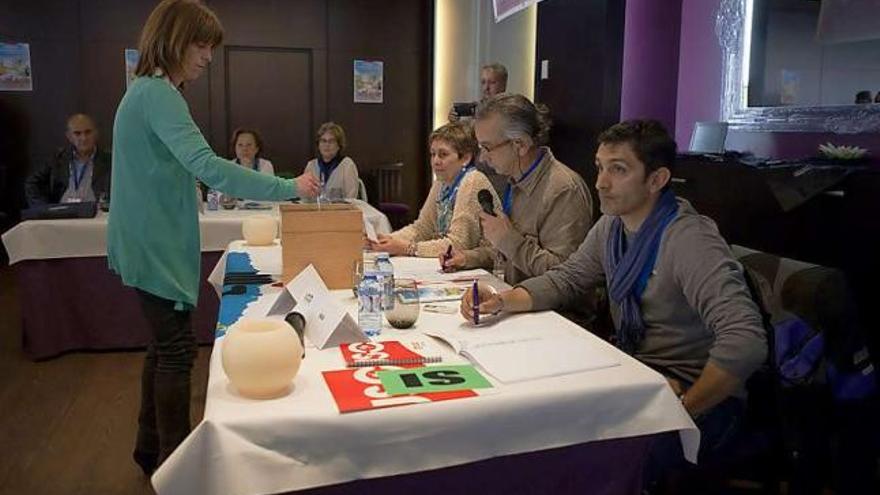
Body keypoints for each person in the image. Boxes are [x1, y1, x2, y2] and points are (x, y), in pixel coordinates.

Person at [460, 119, 768, 491]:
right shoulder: (612, 226)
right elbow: (567, 278)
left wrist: (684, 406)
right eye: (600, 167)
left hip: (698, 396)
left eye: (618, 170)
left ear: (657, 180)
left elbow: (746, 342)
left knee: (584, 460)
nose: (601, 182)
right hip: (638, 375)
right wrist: (500, 301)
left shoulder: (690, 239)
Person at [107, 0, 319, 476]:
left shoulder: (145, 91)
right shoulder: (158, 95)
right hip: (153, 244)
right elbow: (208, 166)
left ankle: (151, 453)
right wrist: (289, 188)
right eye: (201, 46)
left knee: (163, 347)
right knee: (177, 351)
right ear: (175, 40)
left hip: (147, 241)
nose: (207, 57)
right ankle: (179, 467)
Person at [444, 93, 593, 285]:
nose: (482, 158)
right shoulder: (514, 179)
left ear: (520, 145)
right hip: (516, 300)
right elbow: (507, 252)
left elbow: (565, 276)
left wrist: (508, 239)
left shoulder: (563, 189)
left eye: (487, 148)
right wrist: (468, 258)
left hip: (557, 313)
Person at [370, 121, 500, 257]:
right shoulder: (441, 182)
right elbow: (422, 228)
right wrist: (387, 240)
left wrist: (408, 248)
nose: (435, 161)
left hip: (483, 268)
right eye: (433, 154)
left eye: (443, 154)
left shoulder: (472, 181)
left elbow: (458, 244)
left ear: (466, 158)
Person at [24, 113, 112, 206]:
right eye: (77, 134)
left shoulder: (109, 160)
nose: (83, 138)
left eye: (88, 132)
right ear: (69, 136)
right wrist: (44, 208)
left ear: (95, 133)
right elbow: (32, 183)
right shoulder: (58, 159)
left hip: (96, 214)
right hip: (63, 213)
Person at [449, 63, 510, 196]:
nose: (486, 88)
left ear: (503, 84)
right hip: (475, 172)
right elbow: (464, 140)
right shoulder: (477, 109)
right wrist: (454, 123)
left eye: (491, 82)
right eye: (483, 82)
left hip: (499, 175)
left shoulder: (509, 111)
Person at [303, 122, 360, 200]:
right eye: (323, 141)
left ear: (339, 145)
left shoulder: (347, 165)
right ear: (318, 144)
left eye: (331, 141)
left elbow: (351, 198)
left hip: (341, 211)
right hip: (315, 210)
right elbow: (305, 196)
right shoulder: (311, 166)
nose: (327, 145)